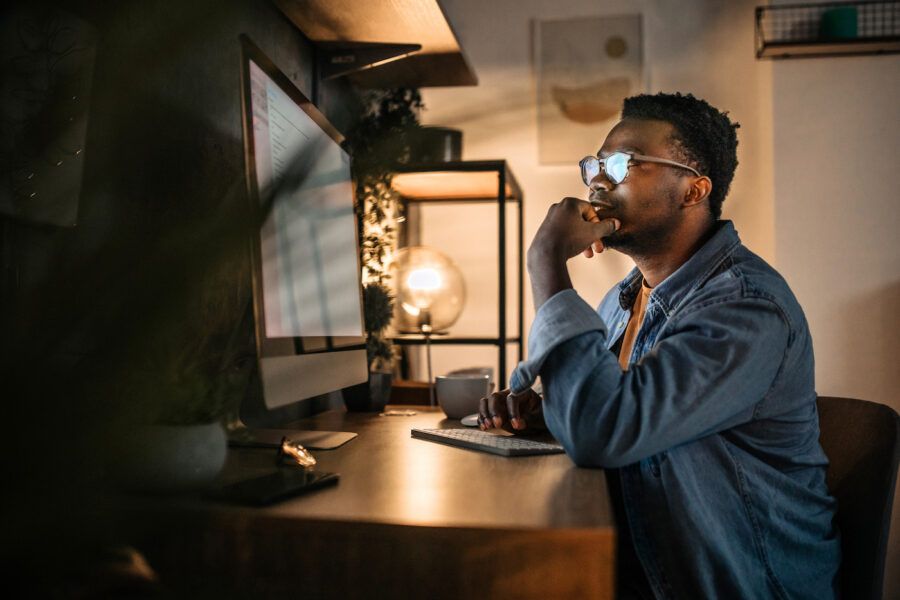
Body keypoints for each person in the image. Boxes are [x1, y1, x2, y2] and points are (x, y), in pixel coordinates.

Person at [478, 92, 840, 599]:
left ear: (693, 190)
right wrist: (547, 410)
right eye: (595, 165)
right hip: (646, 566)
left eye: (622, 164)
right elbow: (607, 414)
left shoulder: (747, 309)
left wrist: (546, 261)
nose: (598, 181)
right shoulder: (622, 300)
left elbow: (603, 431)